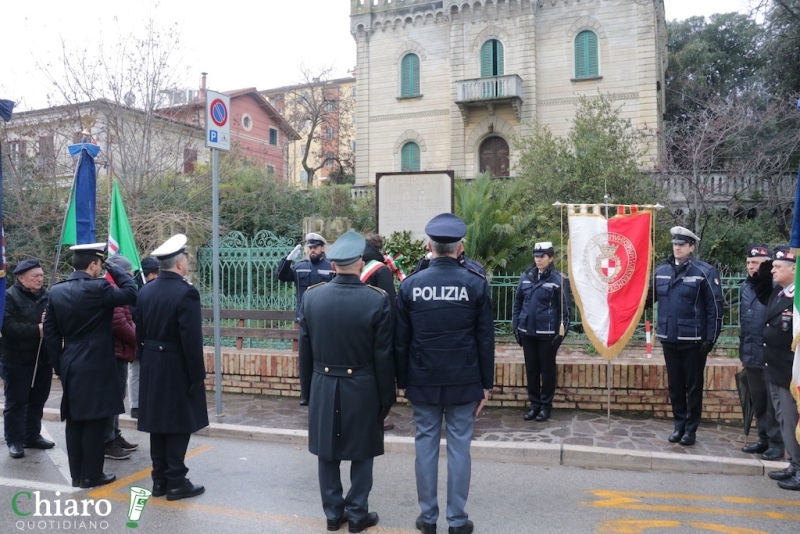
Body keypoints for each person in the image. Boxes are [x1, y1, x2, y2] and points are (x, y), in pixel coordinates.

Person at [395, 213, 495, 534]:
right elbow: (485, 339)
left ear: (429, 246)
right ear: (459, 247)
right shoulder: (475, 284)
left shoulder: (410, 285)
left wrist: (402, 382)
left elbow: (401, 341)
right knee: (459, 448)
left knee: (425, 445)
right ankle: (456, 520)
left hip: (422, 381)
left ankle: (427, 519)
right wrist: (486, 385)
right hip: (465, 381)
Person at [299, 230, 394, 533]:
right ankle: (356, 514)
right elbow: (383, 355)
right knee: (362, 453)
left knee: (327, 452)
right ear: (360, 262)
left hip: (322, 384)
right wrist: (386, 397)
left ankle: (332, 513)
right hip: (363, 386)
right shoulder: (375, 300)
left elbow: (305, 351)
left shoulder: (312, 297)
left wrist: (307, 393)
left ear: (335, 262)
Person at [43, 243, 137, 488]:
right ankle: (92, 475)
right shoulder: (100, 287)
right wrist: (114, 268)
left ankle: (77, 474)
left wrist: (60, 366)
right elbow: (130, 291)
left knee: (75, 420)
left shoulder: (56, 291)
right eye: (100, 264)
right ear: (94, 264)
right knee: (96, 420)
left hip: (71, 360)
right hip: (98, 361)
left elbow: (51, 336)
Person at [134, 234, 209, 501]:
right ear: (179, 264)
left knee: (158, 424)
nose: (187, 262)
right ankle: (176, 481)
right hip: (177, 364)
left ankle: (159, 480)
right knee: (178, 424)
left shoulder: (145, 290)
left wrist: (148, 359)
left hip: (153, 363)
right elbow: (191, 339)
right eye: (186, 258)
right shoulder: (186, 292)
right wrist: (197, 375)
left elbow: (138, 332)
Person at [648, 226, 724, 446]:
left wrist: (710, 338)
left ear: (691, 247)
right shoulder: (661, 271)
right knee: (675, 385)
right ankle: (679, 425)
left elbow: (715, 309)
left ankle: (691, 429)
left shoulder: (704, 272)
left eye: (682, 244)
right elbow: (647, 299)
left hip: (693, 340)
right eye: (675, 244)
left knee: (693, 386)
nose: (677, 247)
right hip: (669, 337)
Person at [751, 246, 800, 491]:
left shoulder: (797, 298)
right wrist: (771, 260)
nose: (773, 270)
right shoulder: (779, 294)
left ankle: (799, 467)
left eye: (778, 267)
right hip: (775, 368)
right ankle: (793, 462)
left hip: (790, 371)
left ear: (795, 269)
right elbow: (758, 284)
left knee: (792, 421)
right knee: (783, 418)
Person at [511, 241, 572, 423]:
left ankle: (545, 406)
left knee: (547, 371)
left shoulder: (559, 280)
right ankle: (534, 404)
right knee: (531, 370)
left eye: (542, 256)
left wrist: (560, 335)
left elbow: (565, 311)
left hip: (547, 334)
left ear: (551, 258)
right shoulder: (526, 277)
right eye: (536, 256)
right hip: (527, 332)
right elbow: (518, 304)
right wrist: (516, 326)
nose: (538, 260)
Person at [0, 258, 54, 459]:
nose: (40, 279)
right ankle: (14, 440)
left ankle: (32, 435)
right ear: (21, 278)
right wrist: (38, 329)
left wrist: (51, 321)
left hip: (42, 358)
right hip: (16, 359)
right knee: (16, 402)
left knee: (38, 400)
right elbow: (8, 327)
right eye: (35, 276)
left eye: (41, 275)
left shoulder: (48, 297)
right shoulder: (7, 297)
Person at [738, 244, 784, 460]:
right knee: (759, 400)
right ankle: (763, 439)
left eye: (755, 263)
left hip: (770, 355)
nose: (750, 267)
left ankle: (777, 443)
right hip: (750, 353)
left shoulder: (776, 288)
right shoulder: (746, 287)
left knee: (774, 404)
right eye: (748, 263)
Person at [102, 254, 139, 461]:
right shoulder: (112, 291)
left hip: (119, 351)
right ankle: (108, 440)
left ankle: (114, 435)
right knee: (113, 398)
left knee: (118, 397)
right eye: (128, 273)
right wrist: (137, 340)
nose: (131, 277)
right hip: (114, 351)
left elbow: (127, 318)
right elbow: (119, 323)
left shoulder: (116, 291)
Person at [276, 232, 335, 321]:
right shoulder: (300, 267)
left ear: (322, 248)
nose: (312, 250)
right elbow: (281, 276)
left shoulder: (331, 267)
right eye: (310, 247)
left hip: (325, 317)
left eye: (315, 247)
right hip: (303, 316)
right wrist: (287, 261)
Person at [128, 256, 158, 420]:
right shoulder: (134, 288)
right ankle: (136, 406)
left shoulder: (151, 287)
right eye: (154, 273)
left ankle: (145, 403)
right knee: (136, 371)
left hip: (148, 335)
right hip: (135, 334)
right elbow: (131, 312)